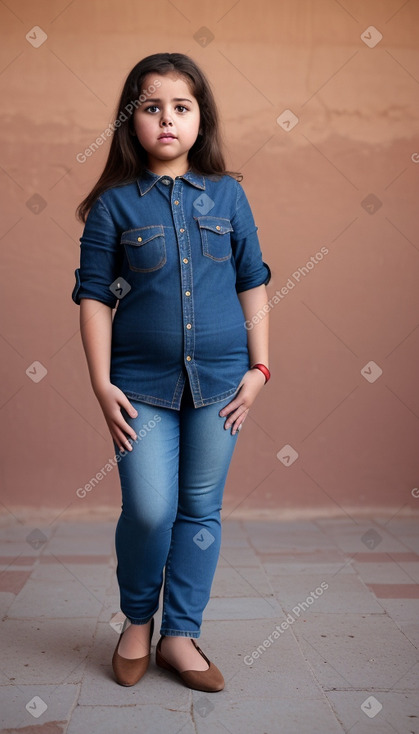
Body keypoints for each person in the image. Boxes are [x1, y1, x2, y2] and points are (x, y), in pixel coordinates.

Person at [72, 52, 270, 693]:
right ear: (132, 122)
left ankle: (180, 635)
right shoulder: (112, 206)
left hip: (221, 382)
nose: (166, 119)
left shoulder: (228, 194)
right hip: (137, 387)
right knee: (151, 509)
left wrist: (261, 367)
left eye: (181, 107)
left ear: (199, 119)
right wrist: (102, 385)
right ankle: (137, 621)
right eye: (151, 107)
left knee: (200, 511)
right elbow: (95, 297)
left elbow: (253, 283)